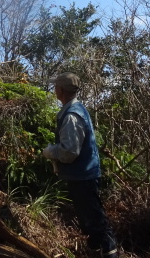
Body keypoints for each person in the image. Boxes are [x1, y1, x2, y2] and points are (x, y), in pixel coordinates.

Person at [43, 72, 118, 258]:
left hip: (83, 176)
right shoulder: (76, 109)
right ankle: (94, 251)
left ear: (60, 90)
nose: (54, 89)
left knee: (95, 221)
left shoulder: (71, 116)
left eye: (56, 86)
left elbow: (69, 152)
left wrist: (49, 151)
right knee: (90, 220)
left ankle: (110, 252)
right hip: (83, 174)